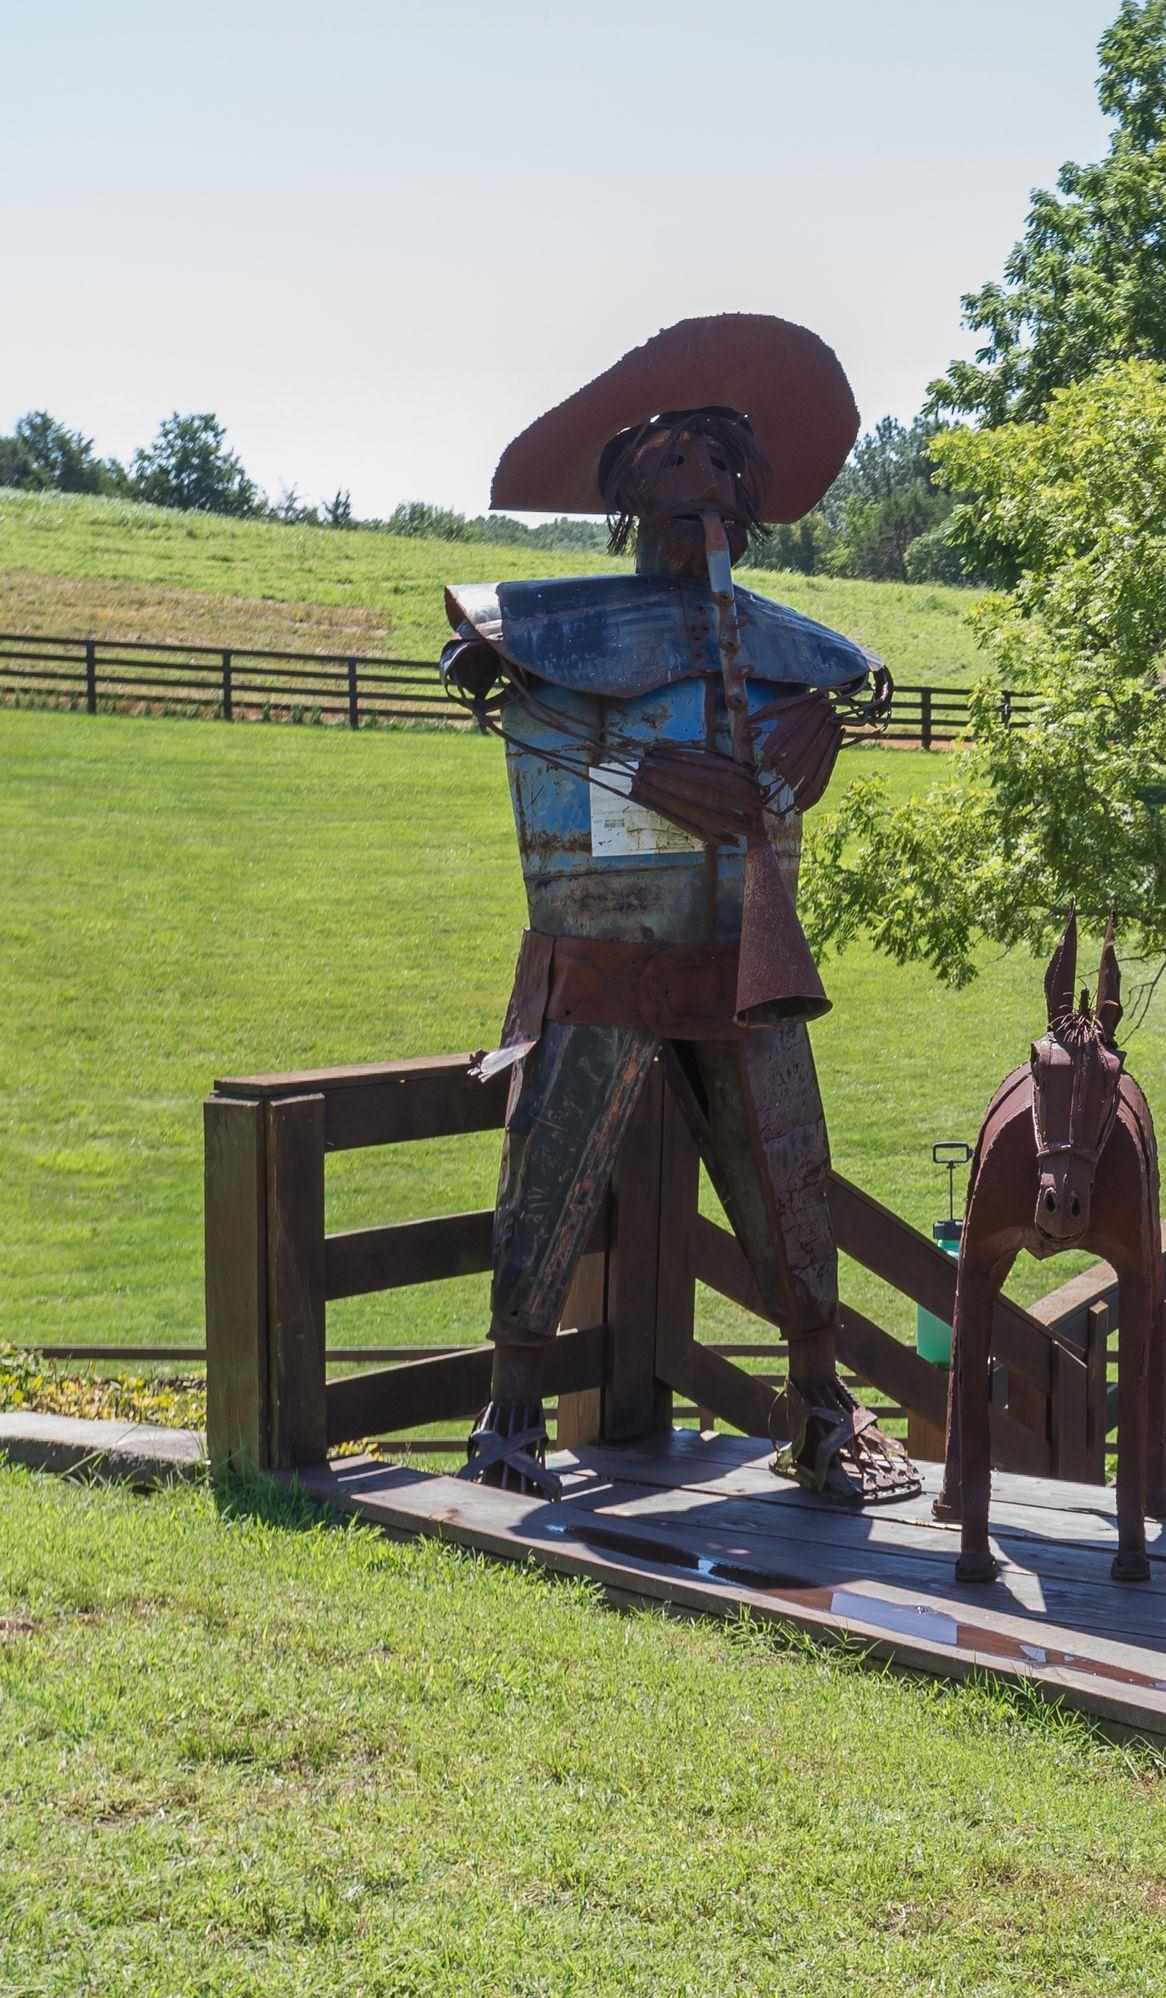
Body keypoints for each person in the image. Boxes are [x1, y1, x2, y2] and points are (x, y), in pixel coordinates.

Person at [440, 314, 921, 1509]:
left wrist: (816, 730)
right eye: (674, 470)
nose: (699, 495)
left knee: (787, 1172)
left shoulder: (783, 645)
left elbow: (841, 689)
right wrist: (632, 766)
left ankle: (820, 1404)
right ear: (632, 499)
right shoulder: (560, 628)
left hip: (742, 959)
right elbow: (501, 689)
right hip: (603, 947)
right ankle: (512, 1406)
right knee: (553, 1158)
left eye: (718, 472)